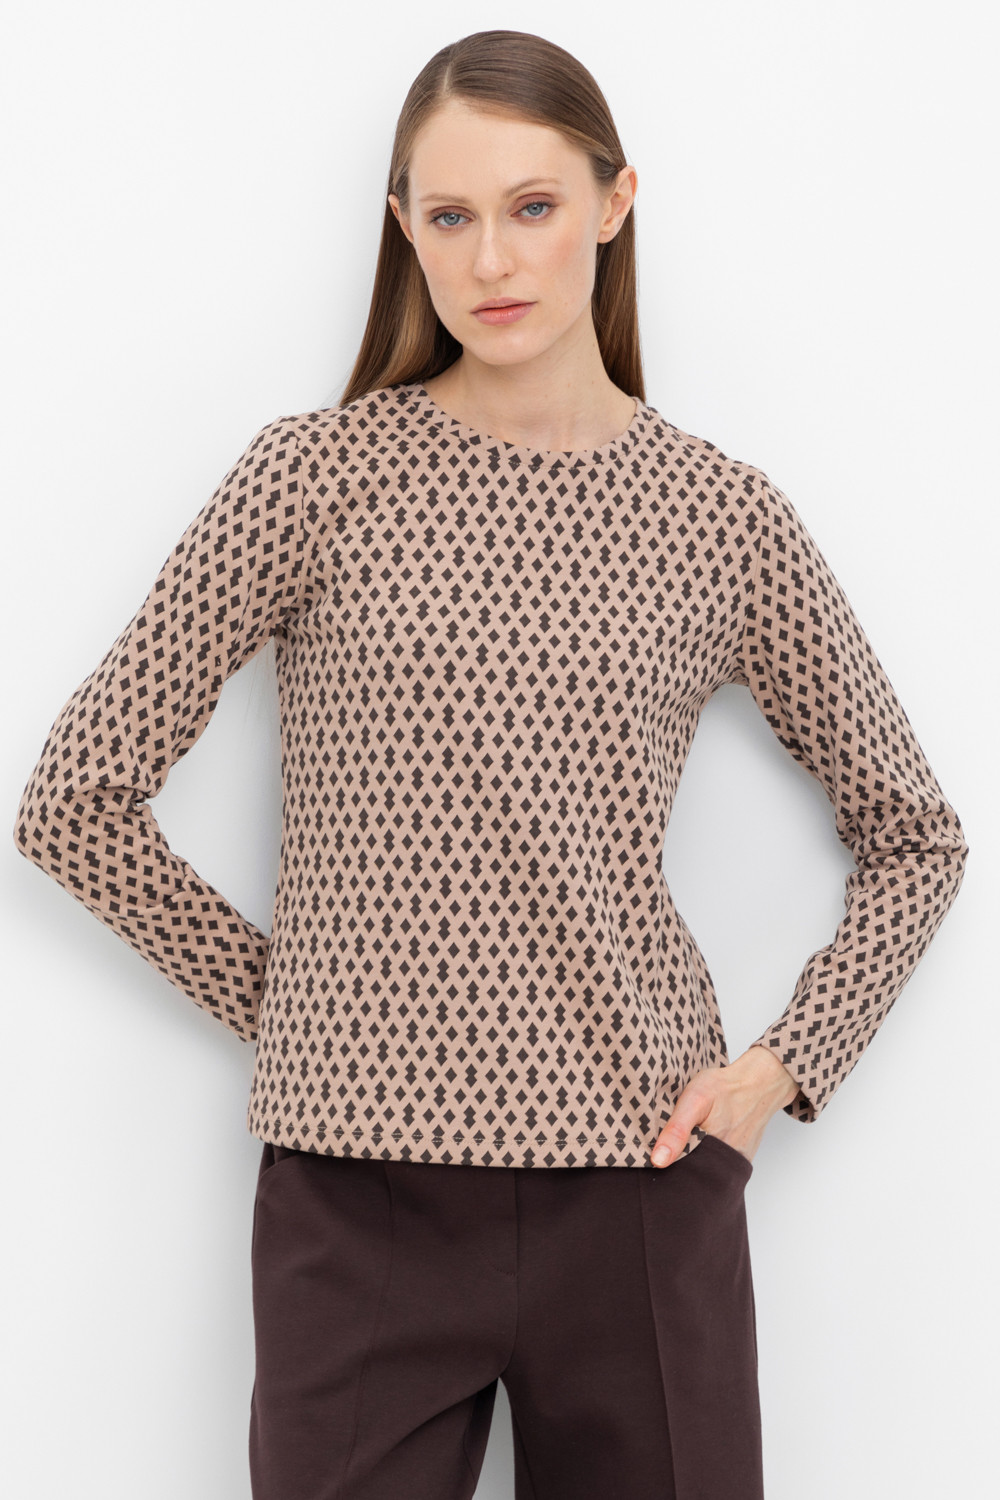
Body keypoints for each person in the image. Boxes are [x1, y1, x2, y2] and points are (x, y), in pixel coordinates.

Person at [12, 27, 969, 1500]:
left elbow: (918, 834)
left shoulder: (722, 518)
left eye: (533, 206)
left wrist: (781, 1069)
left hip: (641, 1186)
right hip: (359, 1204)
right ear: (404, 229)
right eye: (450, 216)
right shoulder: (314, 477)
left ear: (615, 201)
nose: (492, 259)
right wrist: (297, 1003)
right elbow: (72, 800)